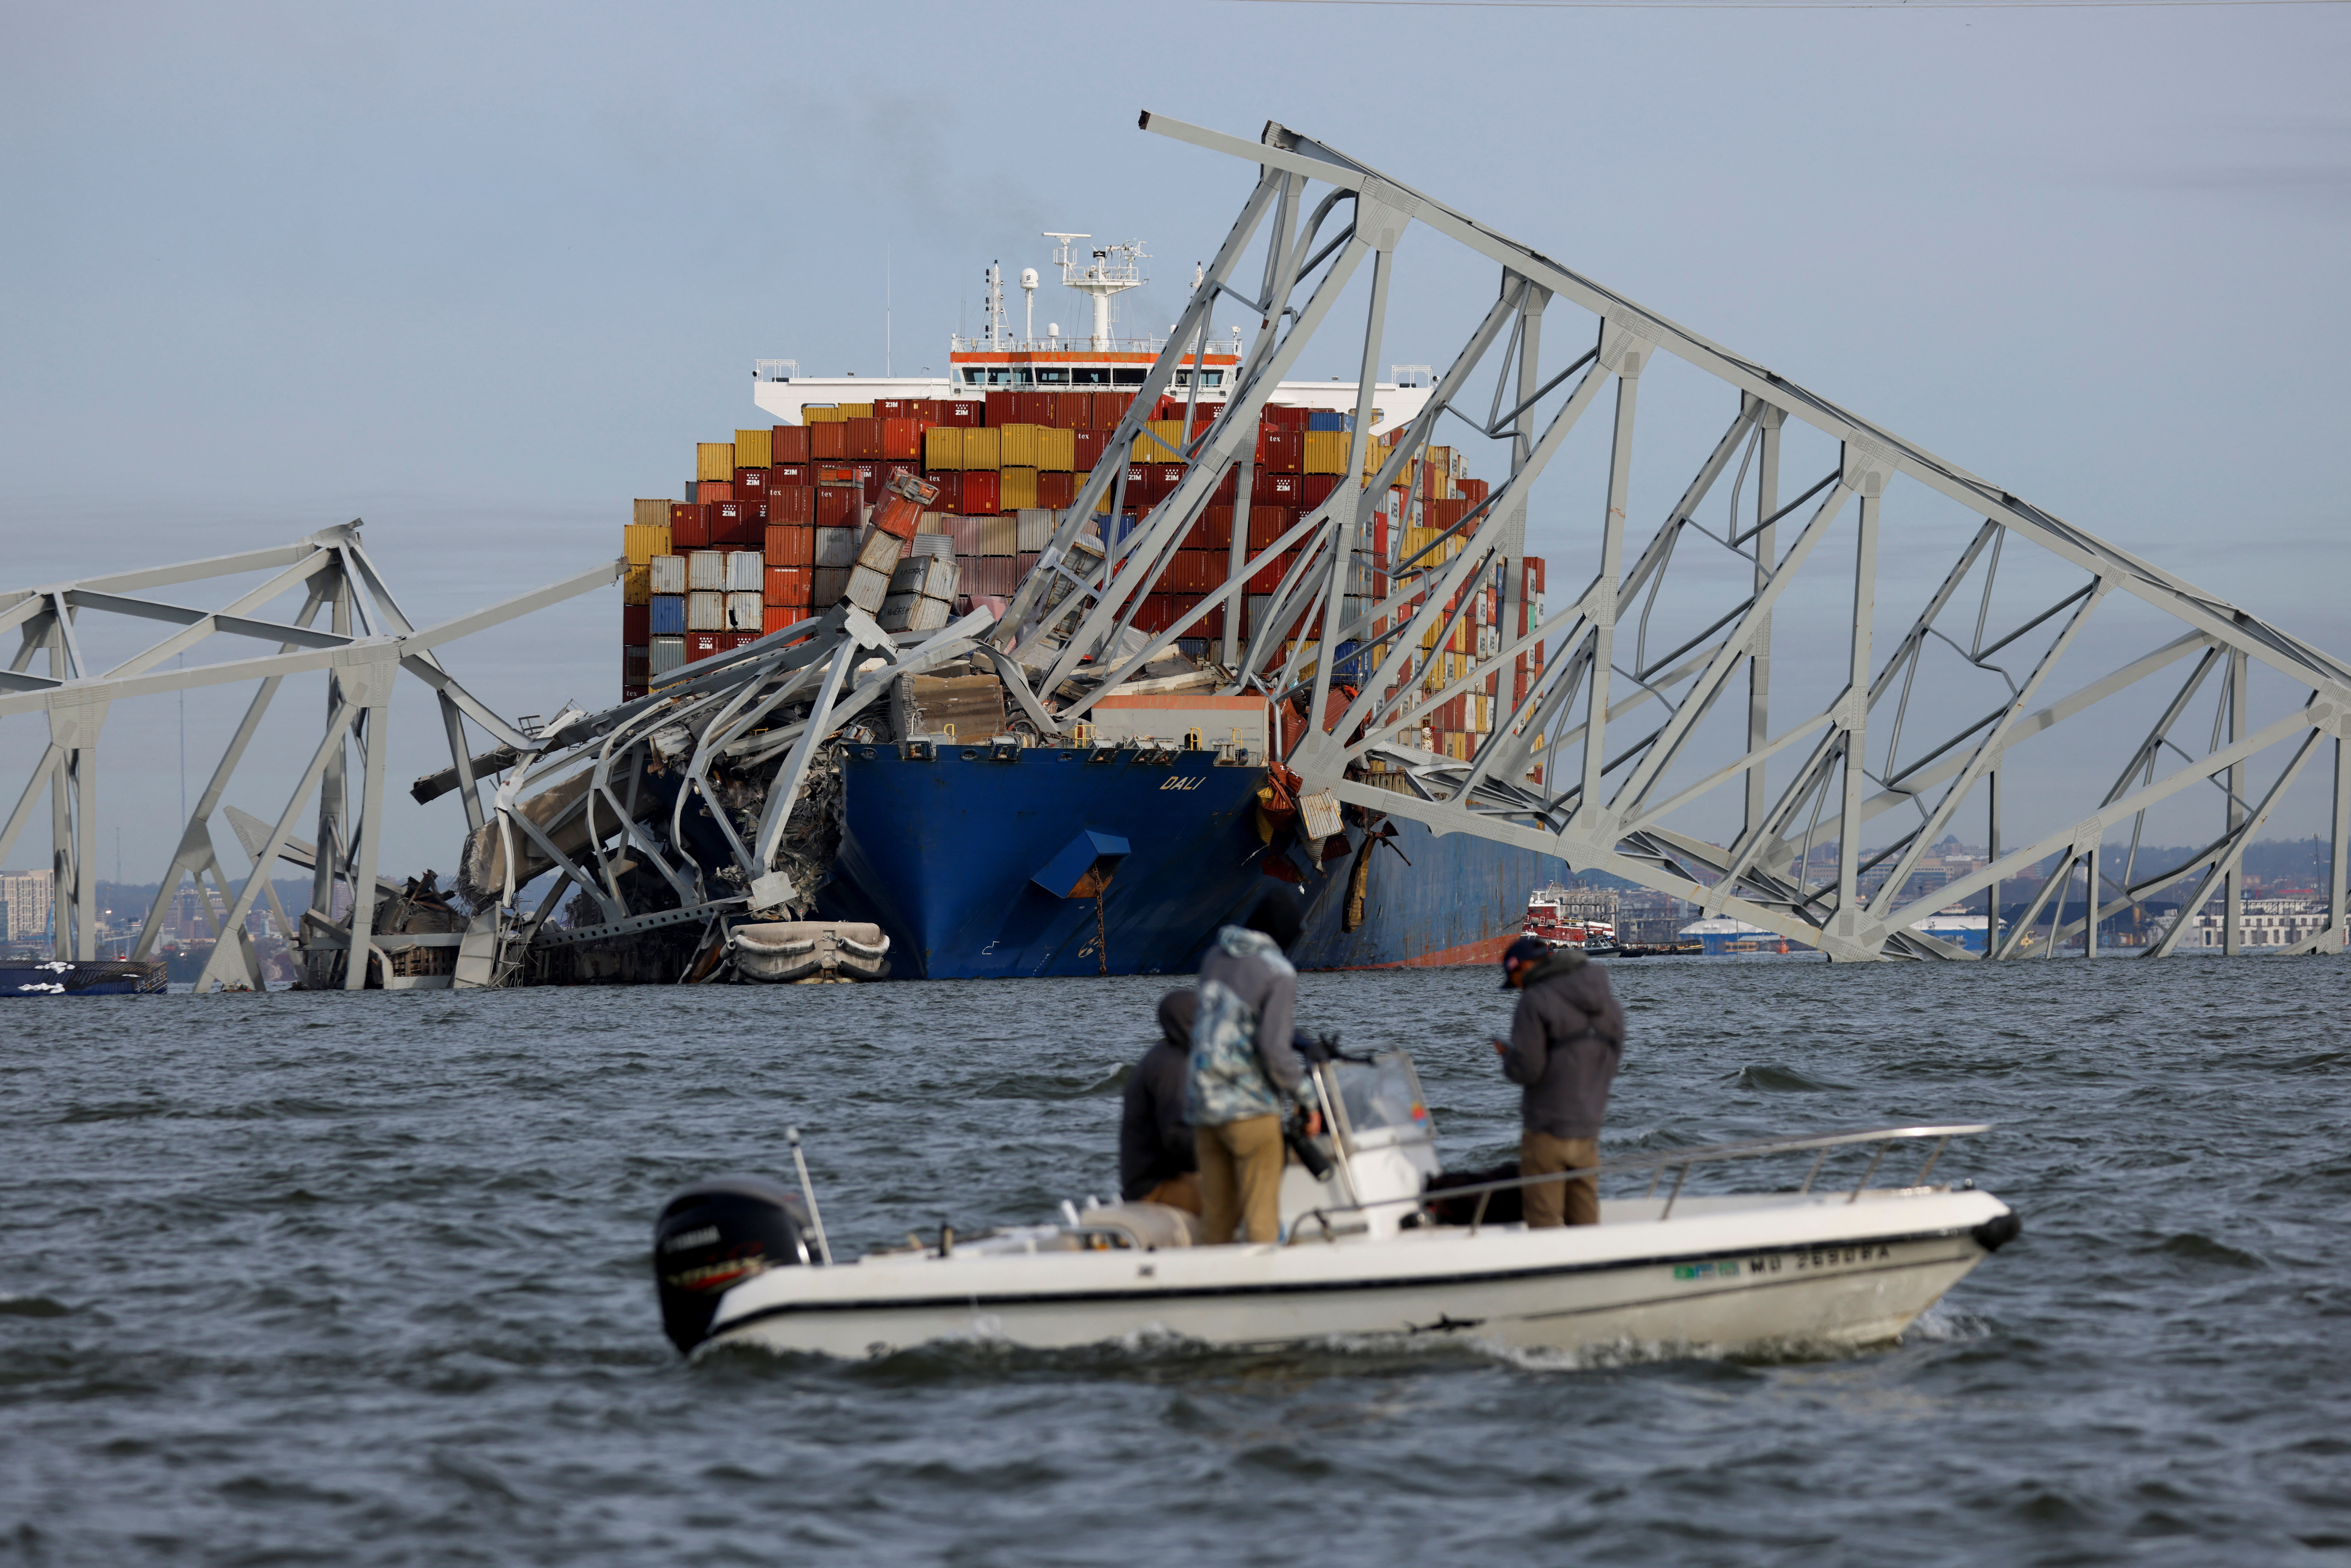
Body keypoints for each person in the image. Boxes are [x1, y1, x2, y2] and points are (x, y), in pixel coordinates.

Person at [1186, 887, 1310, 1244]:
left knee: (1218, 1220)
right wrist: (1307, 1098)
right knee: (1261, 1220)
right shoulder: (1279, 971)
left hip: (1202, 1107)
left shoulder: (1214, 958)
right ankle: (1266, 1295)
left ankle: (1215, 1294)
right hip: (1249, 1109)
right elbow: (1274, 1050)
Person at [1495, 935, 1625, 1228]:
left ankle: (1552, 1272)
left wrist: (1508, 1057)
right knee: (1585, 1219)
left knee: (1544, 1219)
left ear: (1525, 966)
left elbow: (1528, 1070)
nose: (1518, 987)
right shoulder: (1607, 1002)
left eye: (1515, 979)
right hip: (1589, 1127)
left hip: (1547, 1129)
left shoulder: (1535, 999)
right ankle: (1591, 1272)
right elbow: (1611, 1061)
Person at [1119, 990, 1202, 1212]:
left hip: (1151, 1180)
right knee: (1235, 1194)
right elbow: (1176, 1137)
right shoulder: (1173, 1067)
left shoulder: (1165, 1057)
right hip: (1155, 1188)